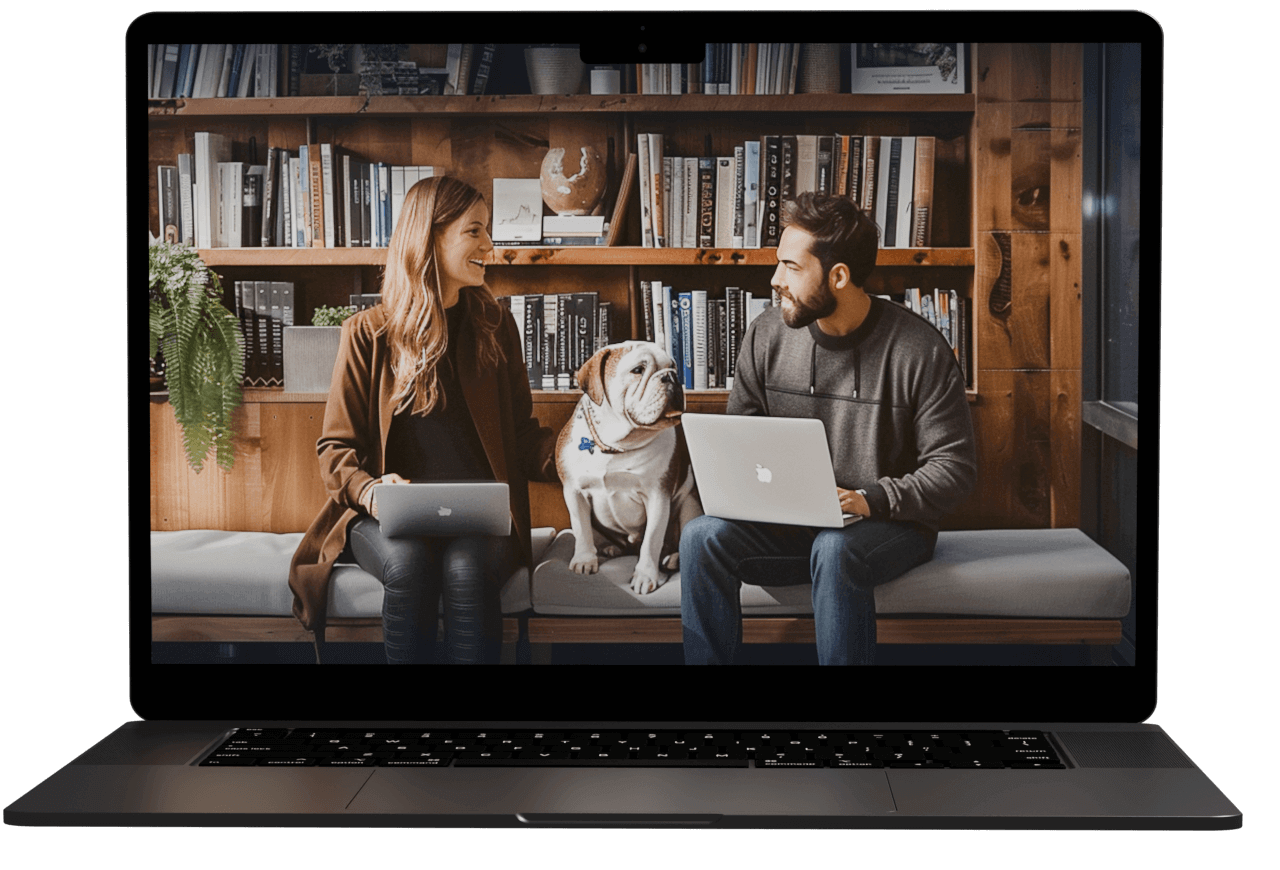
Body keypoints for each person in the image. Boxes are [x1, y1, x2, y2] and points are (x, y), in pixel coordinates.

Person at [680, 192, 977, 666]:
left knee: (835, 548)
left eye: (791, 267)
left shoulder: (919, 350)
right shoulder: (766, 335)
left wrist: (869, 499)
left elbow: (954, 471)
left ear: (838, 276)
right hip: (791, 525)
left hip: (887, 526)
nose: (775, 280)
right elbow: (741, 439)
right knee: (701, 537)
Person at [288, 176, 559, 664]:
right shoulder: (367, 334)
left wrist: (582, 454)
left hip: (480, 522)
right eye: (474, 231)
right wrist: (372, 492)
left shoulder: (497, 326)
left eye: (488, 231)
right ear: (429, 237)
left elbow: (522, 436)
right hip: (387, 520)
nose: (489, 246)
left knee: (466, 570)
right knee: (410, 565)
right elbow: (335, 449)